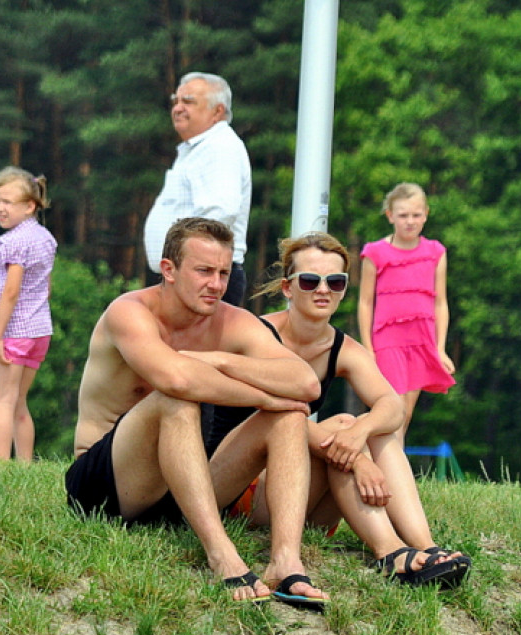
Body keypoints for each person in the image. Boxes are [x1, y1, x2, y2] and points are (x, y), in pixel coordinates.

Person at [65, 217, 329, 608]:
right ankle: (221, 554)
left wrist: (222, 360)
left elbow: (305, 383)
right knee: (176, 398)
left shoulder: (231, 321)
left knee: (290, 417)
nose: (217, 285)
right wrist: (265, 398)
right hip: (108, 487)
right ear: (168, 270)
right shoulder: (130, 311)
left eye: (223, 272)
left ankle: (285, 561)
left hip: (187, 485)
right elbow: (176, 378)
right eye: (204, 271)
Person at [209, 232, 470, 589]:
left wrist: (359, 434)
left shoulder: (343, 348)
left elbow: (391, 405)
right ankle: (391, 551)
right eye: (309, 280)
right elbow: (280, 419)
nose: (323, 290)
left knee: (366, 424)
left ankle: (425, 546)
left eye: (335, 281)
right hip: (234, 489)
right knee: (316, 421)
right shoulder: (256, 334)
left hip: (294, 496)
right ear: (288, 288)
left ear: (344, 288)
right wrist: (358, 459)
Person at [358, 183, 456, 444]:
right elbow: (365, 302)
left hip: (421, 340)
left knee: (407, 411)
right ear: (390, 216)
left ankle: (389, 465)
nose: (409, 221)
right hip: (388, 340)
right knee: (393, 407)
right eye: (403, 215)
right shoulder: (375, 252)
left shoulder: (436, 252)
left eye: (415, 215)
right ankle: (386, 470)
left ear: (425, 214)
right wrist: (368, 348)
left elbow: (440, 303)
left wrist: (440, 348)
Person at [143, 72, 252, 306]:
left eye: (189, 101)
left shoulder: (220, 147)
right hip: (188, 276)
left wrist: (187, 265)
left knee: (197, 345)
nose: (178, 108)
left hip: (200, 279)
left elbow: (220, 212)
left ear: (217, 112)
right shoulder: (198, 149)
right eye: (176, 101)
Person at [0, 166, 57, 461]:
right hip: (39, 329)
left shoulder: (14, 242)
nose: (0, 208)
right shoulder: (44, 237)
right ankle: (23, 465)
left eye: (7, 202)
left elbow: (11, 291)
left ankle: (0, 466)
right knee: (20, 400)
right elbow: (46, 286)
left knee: (4, 400)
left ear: (29, 205)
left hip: (15, 330)